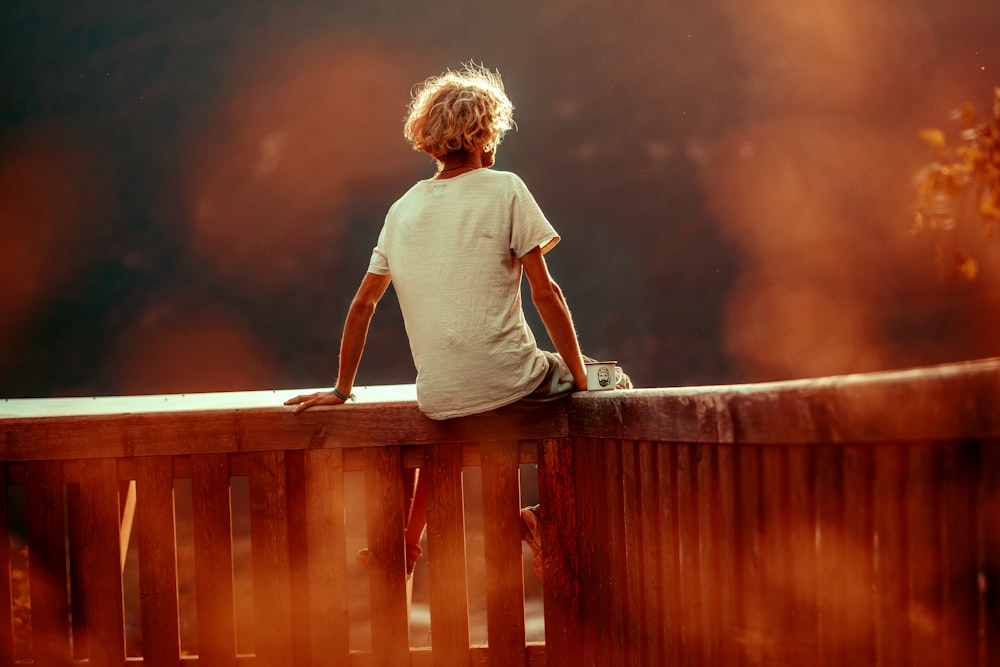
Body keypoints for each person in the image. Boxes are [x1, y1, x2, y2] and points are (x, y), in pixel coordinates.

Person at [285, 62, 630, 579]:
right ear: (489, 137)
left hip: (441, 396)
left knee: (452, 432)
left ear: (427, 145)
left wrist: (340, 388)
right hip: (513, 380)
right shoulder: (506, 188)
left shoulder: (401, 210)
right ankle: (547, 516)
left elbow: (362, 305)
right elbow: (546, 292)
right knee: (613, 388)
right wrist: (581, 379)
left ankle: (405, 544)